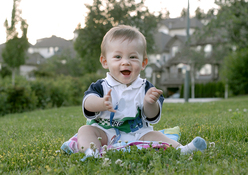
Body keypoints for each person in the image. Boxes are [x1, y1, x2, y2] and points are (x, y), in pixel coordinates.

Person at [77, 25, 206, 157]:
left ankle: (181, 150)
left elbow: (152, 116)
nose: (126, 62)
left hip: (137, 133)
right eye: (118, 57)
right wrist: (100, 103)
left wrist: (149, 103)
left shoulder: (146, 88)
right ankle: (92, 152)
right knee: (85, 130)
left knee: (156, 135)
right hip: (104, 132)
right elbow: (88, 102)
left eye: (132, 57)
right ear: (105, 61)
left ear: (143, 63)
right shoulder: (101, 86)